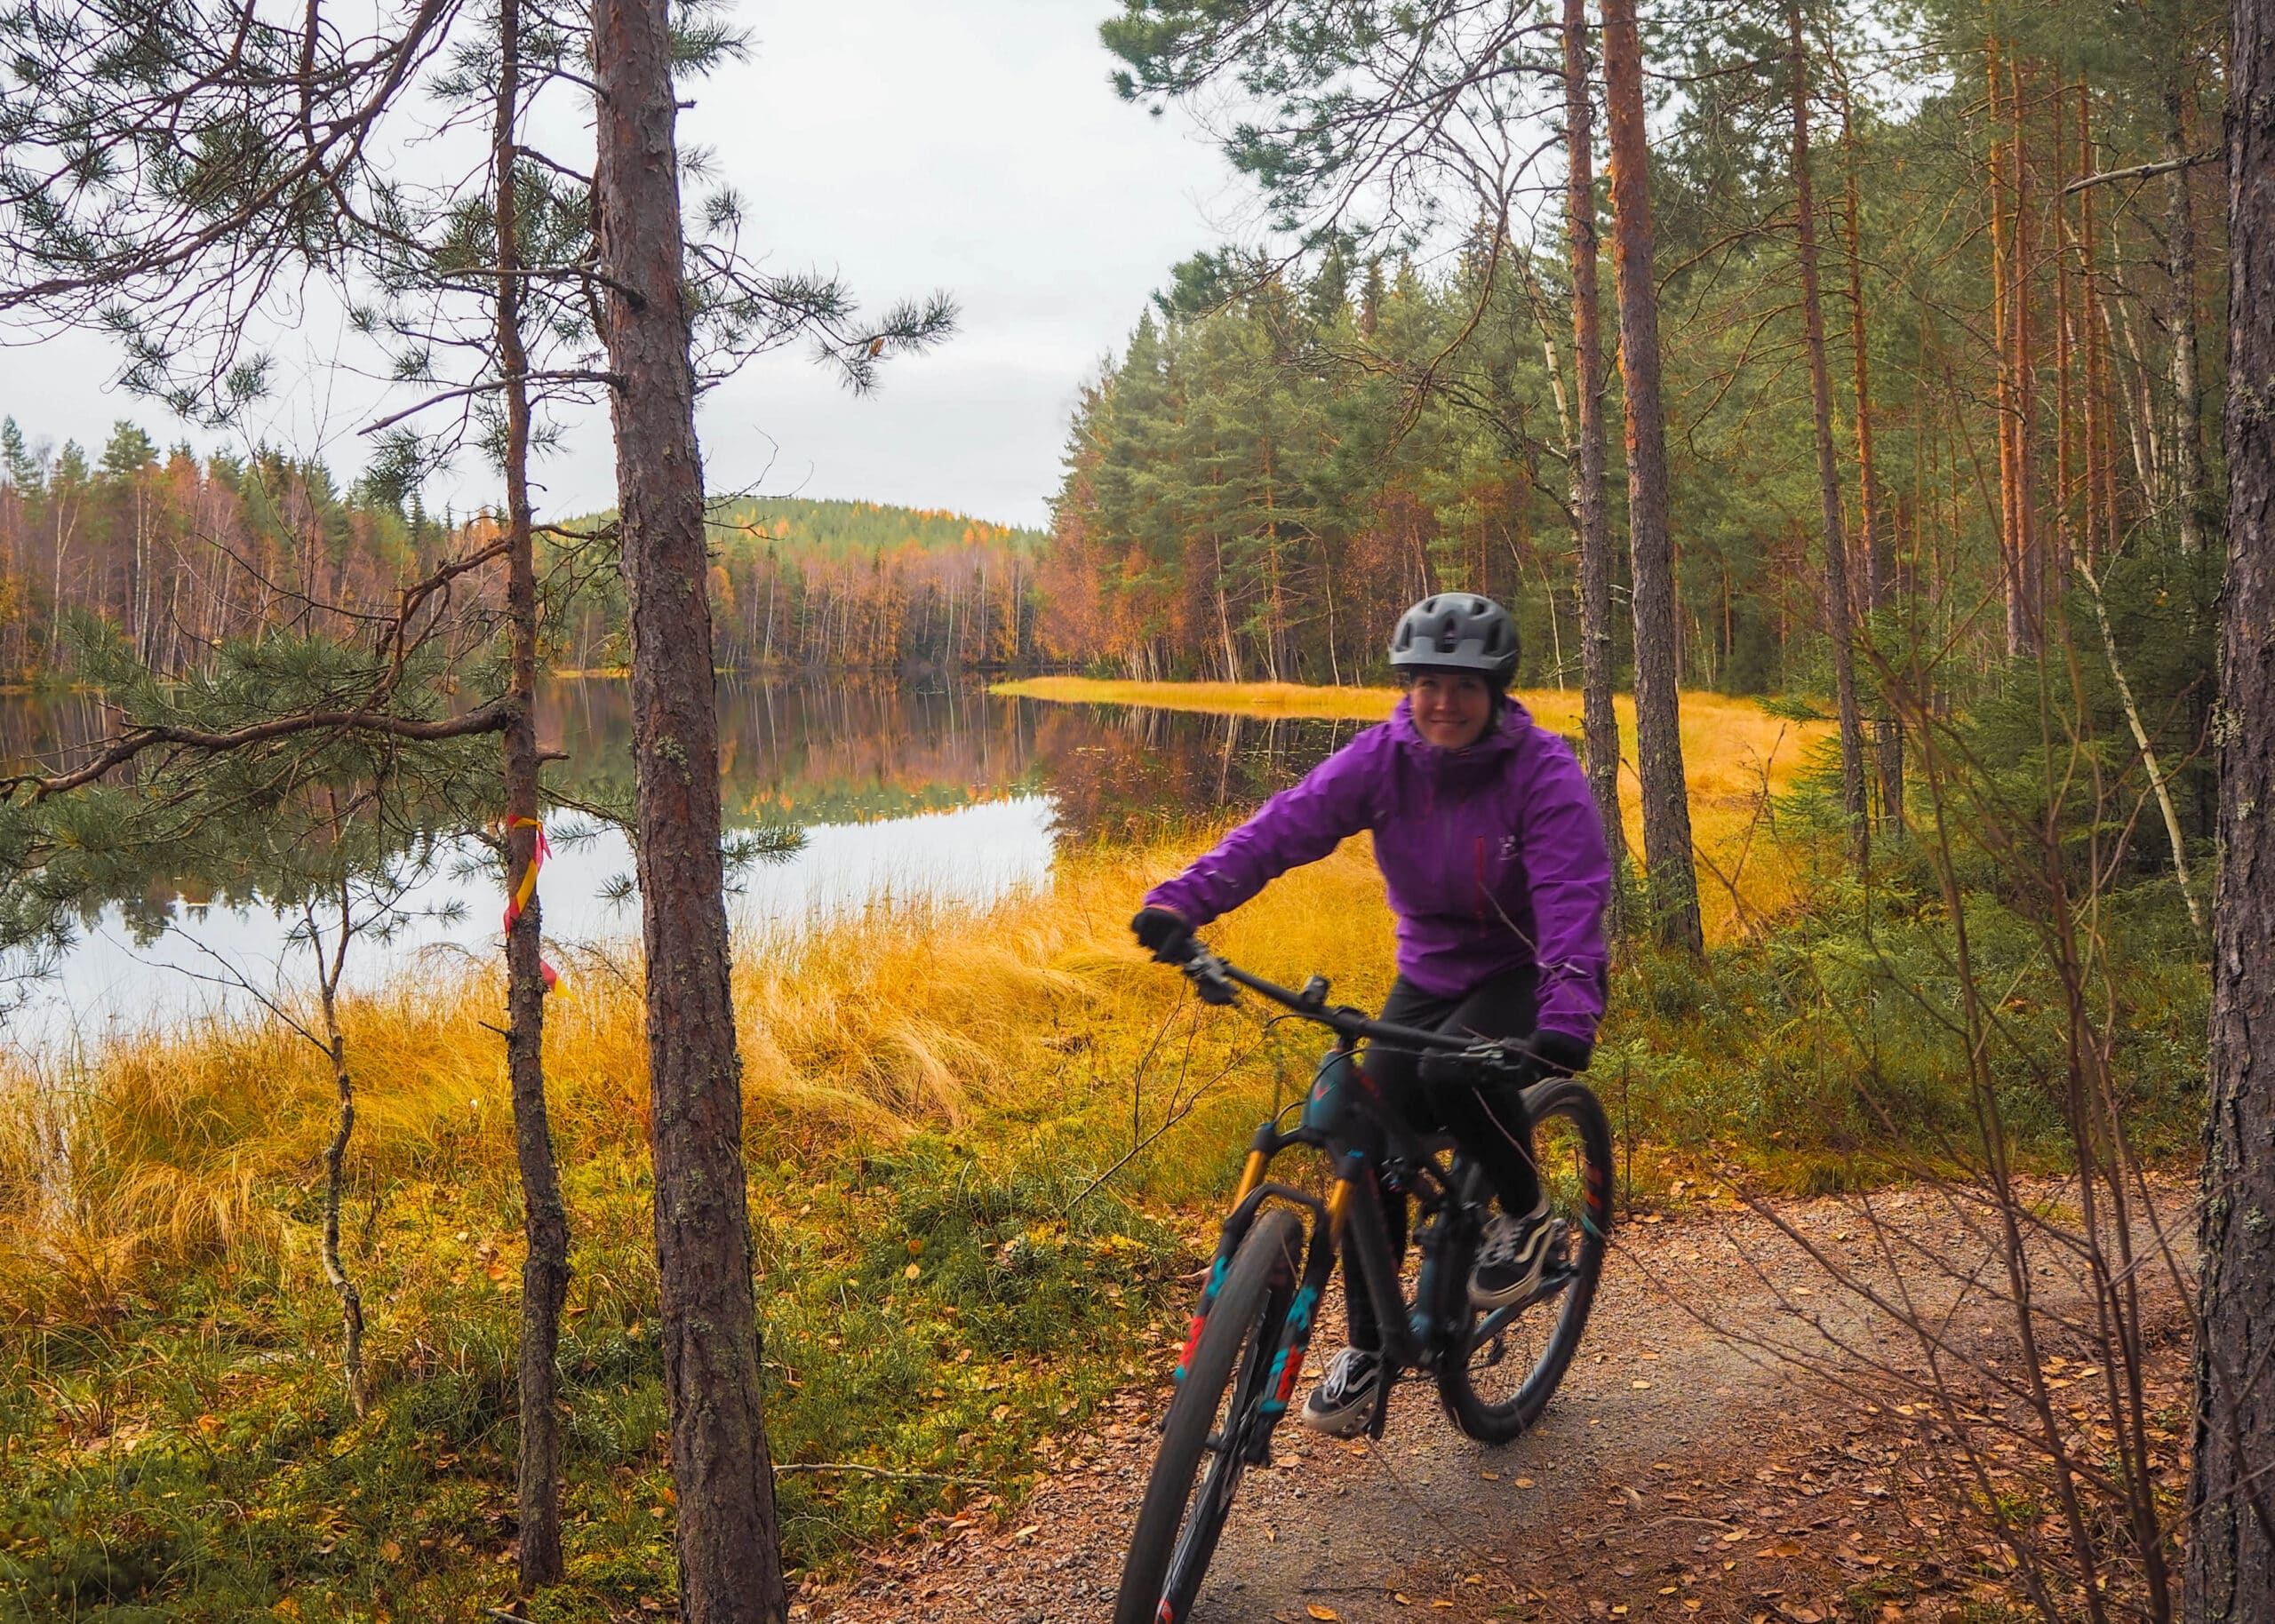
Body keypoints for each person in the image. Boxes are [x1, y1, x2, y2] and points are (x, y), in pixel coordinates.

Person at [1130, 593, 1611, 1438]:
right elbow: (1279, 832)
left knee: (1452, 1069)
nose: (1443, 702)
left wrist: (1567, 1012)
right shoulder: (1382, 760)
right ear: (1407, 686)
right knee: (1364, 1127)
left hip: (1514, 970)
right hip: (1426, 971)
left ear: (1496, 690)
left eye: (1464, 685)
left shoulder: (1542, 771)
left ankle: (1526, 1214)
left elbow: (1572, 896)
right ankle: (1371, 1349)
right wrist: (1182, 905)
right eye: (1427, 682)